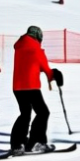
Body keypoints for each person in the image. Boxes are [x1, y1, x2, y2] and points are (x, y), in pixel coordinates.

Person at [10, 25, 64, 153]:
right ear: (39, 37)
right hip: (31, 87)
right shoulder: (37, 50)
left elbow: (29, 65)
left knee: (25, 115)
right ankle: (36, 142)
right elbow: (46, 70)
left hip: (17, 87)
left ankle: (18, 144)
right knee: (43, 113)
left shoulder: (19, 47)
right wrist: (55, 74)